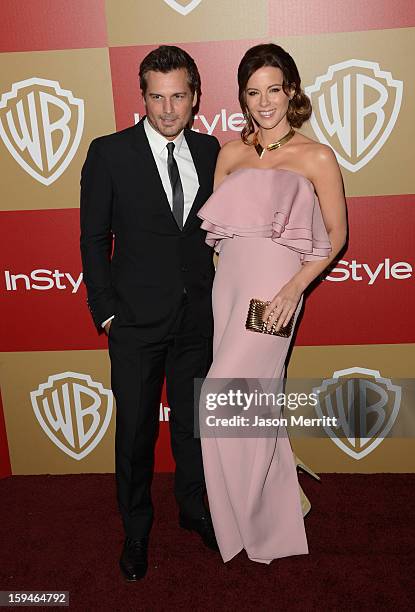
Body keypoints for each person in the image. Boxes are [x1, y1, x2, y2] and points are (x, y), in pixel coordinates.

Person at [197, 43, 347, 564]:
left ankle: (259, 518)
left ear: (292, 91)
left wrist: (292, 290)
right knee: (251, 402)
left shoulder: (315, 156)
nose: (265, 102)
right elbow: (220, 234)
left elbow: (336, 235)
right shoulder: (230, 154)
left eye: (274, 89)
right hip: (230, 288)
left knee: (224, 396)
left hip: (276, 292)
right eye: (253, 91)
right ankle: (277, 499)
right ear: (243, 96)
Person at [80, 45, 220, 581]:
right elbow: (94, 239)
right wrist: (107, 312)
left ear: (194, 98)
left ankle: (193, 508)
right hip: (135, 323)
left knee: (195, 427)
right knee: (135, 433)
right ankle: (135, 529)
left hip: (197, 322)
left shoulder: (212, 152)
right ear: (142, 97)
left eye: (178, 97)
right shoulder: (109, 153)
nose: (167, 110)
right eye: (156, 97)